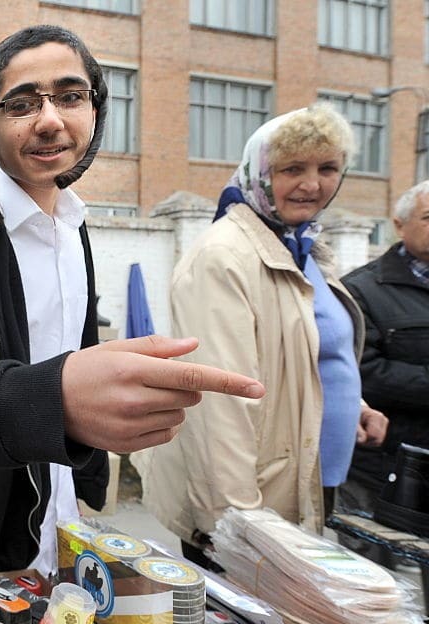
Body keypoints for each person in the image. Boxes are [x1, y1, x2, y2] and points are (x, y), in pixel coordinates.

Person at [0, 25, 266, 578]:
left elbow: (76, 354)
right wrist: (50, 399)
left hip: (64, 532)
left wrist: (79, 488)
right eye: (22, 104)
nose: (50, 120)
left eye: (71, 96)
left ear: (96, 111)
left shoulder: (73, 227)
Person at [134, 103, 388, 570]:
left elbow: (305, 354)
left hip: (303, 483)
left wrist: (353, 406)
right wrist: (236, 526)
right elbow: (217, 404)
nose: (313, 184)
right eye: (292, 168)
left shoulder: (302, 246)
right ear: (259, 172)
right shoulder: (225, 257)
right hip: (253, 507)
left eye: (327, 168)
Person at [338, 180, 429, 552]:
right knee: (371, 589)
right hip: (381, 470)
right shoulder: (361, 289)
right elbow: (360, 372)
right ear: (399, 224)